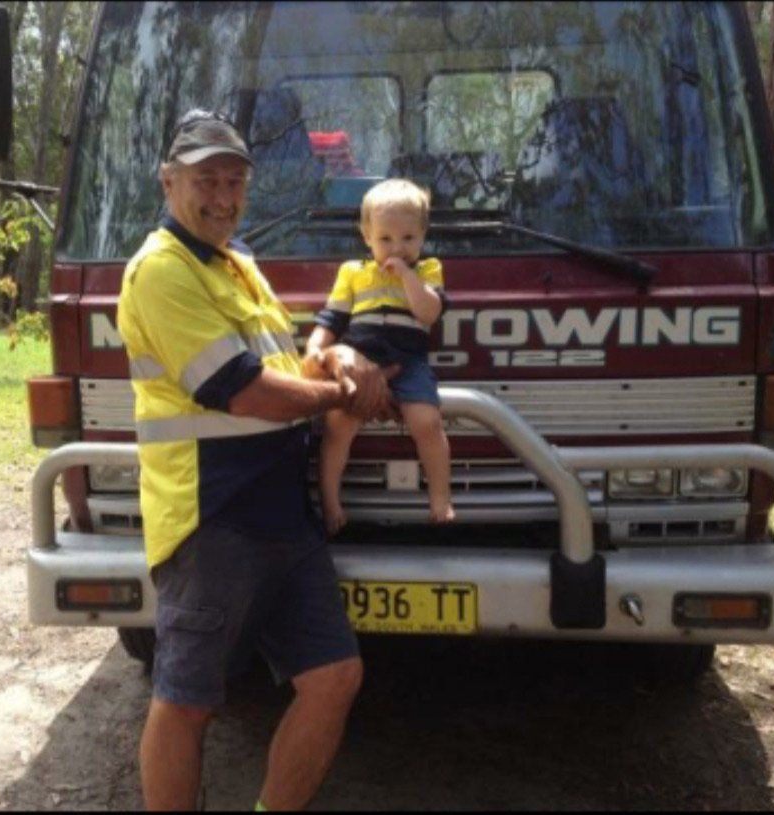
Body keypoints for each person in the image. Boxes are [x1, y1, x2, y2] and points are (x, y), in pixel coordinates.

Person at [116, 109, 397, 811]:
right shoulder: (160, 271)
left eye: (234, 180)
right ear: (168, 182)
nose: (222, 195)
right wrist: (344, 391)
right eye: (205, 179)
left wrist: (341, 353)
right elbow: (245, 391)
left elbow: (293, 356)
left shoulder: (236, 262)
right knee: (187, 702)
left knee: (334, 676)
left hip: (280, 516)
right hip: (213, 519)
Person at [305, 178, 454, 534]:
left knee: (427, 423)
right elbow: (333, 317)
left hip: (409, 362)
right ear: (366, 236)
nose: (396, 248)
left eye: (408, 239)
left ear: (422, 235)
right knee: (338, 427)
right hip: (361, 362)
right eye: (385, 239)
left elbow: (429, 313)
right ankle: (329, 500)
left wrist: (406, 276)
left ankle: (441, 497)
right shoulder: (352, 273)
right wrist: (315, 347)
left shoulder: (428, 270)